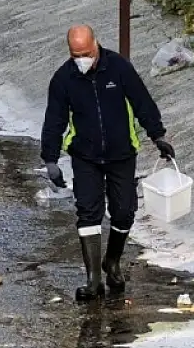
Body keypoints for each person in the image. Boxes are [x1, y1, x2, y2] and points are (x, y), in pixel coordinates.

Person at [41, 25, 175, 301]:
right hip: (85, 156)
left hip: (122, 153)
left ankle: (112, 260)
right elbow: (54, 120)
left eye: (86, 53)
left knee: (124, 211)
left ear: (96, 45)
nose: (82, 60)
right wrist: (50, 159)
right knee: (88, 212)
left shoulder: (119, 68)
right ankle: (93, 281)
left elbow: (142, 102)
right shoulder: (63, 79)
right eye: (76, 55)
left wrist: (158, 136)